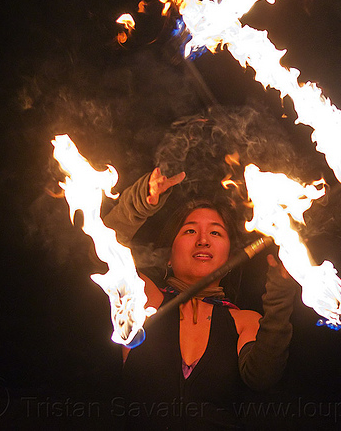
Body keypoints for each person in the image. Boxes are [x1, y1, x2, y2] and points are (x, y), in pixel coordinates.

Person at [104, 167, 297, 430]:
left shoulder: (244, 321)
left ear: (229, 258)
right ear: (169, 256)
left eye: (216, 233)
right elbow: (103, 247)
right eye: (190, 231)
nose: (204, 240)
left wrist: (281, 292)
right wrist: (138, 202)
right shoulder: (143, 298)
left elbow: (262, 376)